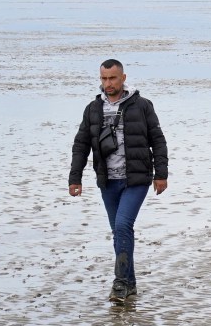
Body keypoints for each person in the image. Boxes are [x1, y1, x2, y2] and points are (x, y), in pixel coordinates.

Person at [69, 59, 169, 303]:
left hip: (136, 178)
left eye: (112, 78)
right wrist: (75, 177)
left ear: (123, 78)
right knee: (119, 232)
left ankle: (120, 283)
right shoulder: (93, 109)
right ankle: (130, 284)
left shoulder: (142, 106)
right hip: (108, 180)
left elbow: (158, 139)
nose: (108, 83)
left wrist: (161, 174)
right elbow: (81, 144)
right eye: (104, 78)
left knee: (123, 226)